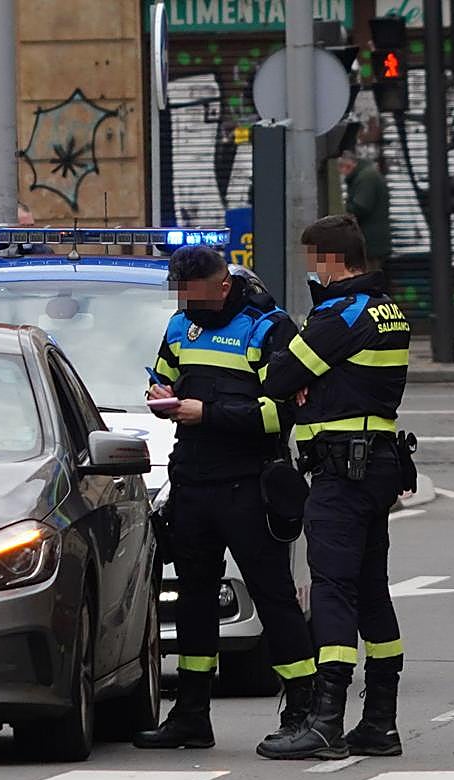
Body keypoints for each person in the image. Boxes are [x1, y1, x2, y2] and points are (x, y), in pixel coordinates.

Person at [133, 247, 317, 753]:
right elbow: (164, 373)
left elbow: (283, 415)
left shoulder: (269, 328)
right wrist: (160, 393)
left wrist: (206, 413)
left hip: (249, 483)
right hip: (192, 481)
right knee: (193, 599)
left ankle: (302, 709)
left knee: (273, 596)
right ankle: (191, 715)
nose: (186, 305)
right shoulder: (179, 324)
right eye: (180, 296)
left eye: (195, 295)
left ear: (222, 285)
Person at [258, 214, 412, 761]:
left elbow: (277, 379)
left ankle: (325, 720)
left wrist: (304, 379)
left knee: (332, 589)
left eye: (311, 261)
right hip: (379, 464)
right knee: (371, 589)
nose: (309, 271)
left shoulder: (340, 312)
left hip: (342, 472)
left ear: (328, 259)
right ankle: (380, 722)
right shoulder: (387, 309)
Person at [338, 151, 391, 273]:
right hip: (372, 242)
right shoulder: (366, 175)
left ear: (347, 166)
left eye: (341, 169)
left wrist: (347, 209)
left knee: (367, 277)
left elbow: (361, 207)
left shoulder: (365, 178)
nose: (342, 174)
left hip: (369, 243)